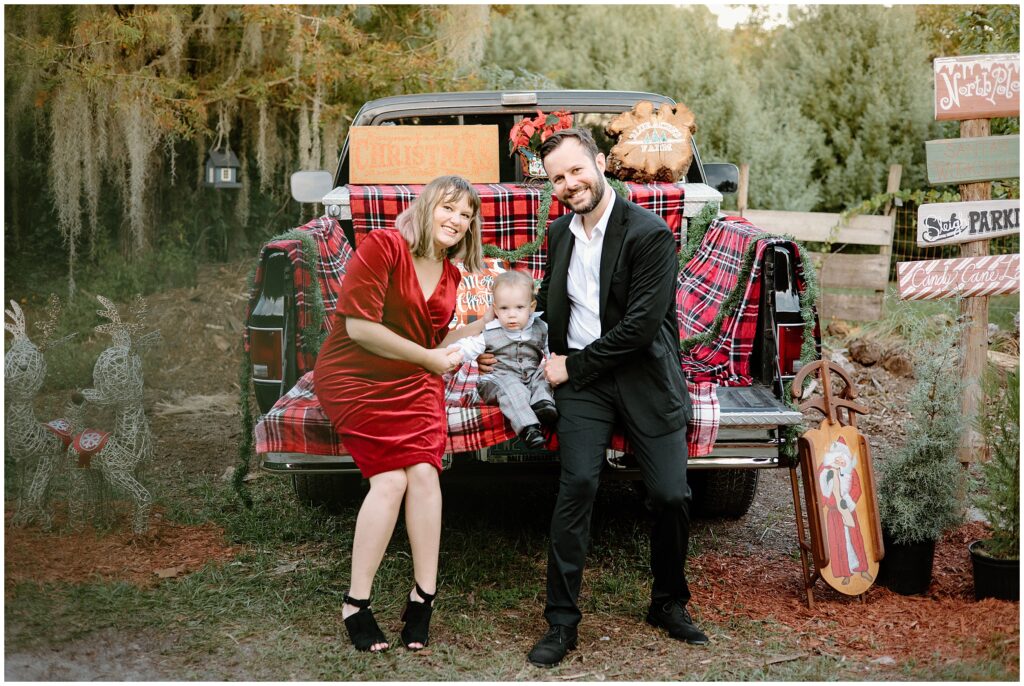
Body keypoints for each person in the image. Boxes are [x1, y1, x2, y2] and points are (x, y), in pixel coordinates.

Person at [502, 128, 709, 667]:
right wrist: (511, 349)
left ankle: (668, 602)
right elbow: (554, 310)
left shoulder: (648, 234)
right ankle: (561, 622)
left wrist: (570, 366)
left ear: (598, 163)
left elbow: (641, 329)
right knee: (579, 485)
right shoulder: (558, 236)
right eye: (558, 179)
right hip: (585, 386)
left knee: (671, 495)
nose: (571, 184)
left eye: (576, 170)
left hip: (643, 374)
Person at [313, 175, 486, 653]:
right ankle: (356, 602)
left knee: (425, 476)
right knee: (391, 481)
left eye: (466, 214)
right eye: (449, 208)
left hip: (412, 379)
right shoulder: (384, 247)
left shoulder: (451, 274)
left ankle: (423, 596)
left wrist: (479, 337)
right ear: (428, 207)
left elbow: (432, 343)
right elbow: (360, 328)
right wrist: (431, 359)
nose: (456, 220)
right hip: (355, 375)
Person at [450, 269, 558, 449]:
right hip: (497, 380)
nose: (512, 314)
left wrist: (552, 365)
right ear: (495, 310)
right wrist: (452, 354)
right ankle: (528, 428)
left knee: (544, 373)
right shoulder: (491, 331)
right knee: (512, 386)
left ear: (531, 307)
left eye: (519, 307)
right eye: (504, 308)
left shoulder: (541, 327)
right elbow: (469, 346)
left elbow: (551, 353)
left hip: (529, 377)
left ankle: (542, 403)